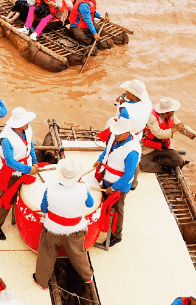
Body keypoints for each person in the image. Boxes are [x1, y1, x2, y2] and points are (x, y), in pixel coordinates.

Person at [34, 158, 96, 288]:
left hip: (52, 229)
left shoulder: (50, 189)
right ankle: (87, 277)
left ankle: (42, 281)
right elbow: (90, 204)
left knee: (46, 254)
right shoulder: (83, 188)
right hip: (75, 230)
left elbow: (44, 209)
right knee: (79, 254)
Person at [0, 106, 39, 241]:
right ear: (18, 124)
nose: (28, 123)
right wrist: (28, 169)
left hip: (26, 165)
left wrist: (34, 162)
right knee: (3, 198)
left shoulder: (27, 130)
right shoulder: (6, 139)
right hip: (11, 172)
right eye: (25, 121)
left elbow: (30, 146)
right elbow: (10, 162)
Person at [93, 117, 140, 247]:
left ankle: (116, 235)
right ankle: (103, 223)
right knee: (104, 202)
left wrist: (114, 187)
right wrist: (100, 160)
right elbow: (107, 151)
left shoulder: (132, 152)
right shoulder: (116, 138)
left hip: (119, 187)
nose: (116, 135)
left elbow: (128, 175)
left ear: (127, 132)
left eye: (119, 133)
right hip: (108, 178)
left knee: (118, 210)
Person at [140, 97, 188, 172]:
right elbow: (158, 134)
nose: (174, 111)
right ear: (166, 111)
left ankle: (159, 160)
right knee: (142, 166)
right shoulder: (151, 117)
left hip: (163, 147)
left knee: (179, 161)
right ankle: (164, 167)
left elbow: (182, 127)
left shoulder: (171, 116)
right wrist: (175, 129)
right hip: (149, 148)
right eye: (172, 110)